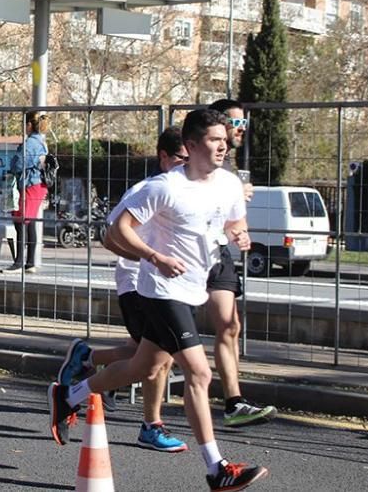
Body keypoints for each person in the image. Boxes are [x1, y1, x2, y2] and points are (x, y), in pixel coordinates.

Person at [49, 109, 268, 491]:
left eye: (225, 138)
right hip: (161, 291)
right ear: (192, 145)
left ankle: (70, 394)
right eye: (215, 139)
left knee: (141, 366)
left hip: (193, 289)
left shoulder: (230, 184)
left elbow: (233, 222)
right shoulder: (165, 187)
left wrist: (240, 236)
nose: (224, 144)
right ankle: (217, 469)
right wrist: (154, 257)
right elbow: (118, 229)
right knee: (199, 373)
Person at [81, 126, 190, 453]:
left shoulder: (190, 190)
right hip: (138, 283)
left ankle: (86, 361)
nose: (189, 164)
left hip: (169, 285)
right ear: (165, 157)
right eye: (183, 158)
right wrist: (149, 258)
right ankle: (149, 425)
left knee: (146, 355)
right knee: (159, 358)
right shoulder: (149, 189)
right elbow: (110, 235)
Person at [207, 99, 277, 427]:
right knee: (152, 350)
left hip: (217, 253)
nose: (241, 130)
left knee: (230, 325)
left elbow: (233, 221)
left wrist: (240, 235)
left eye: (244, 125)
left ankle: (234, 401)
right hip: (185, 255)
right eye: (236, 123)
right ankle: (93, 366)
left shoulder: (231, 170)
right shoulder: (201, 163)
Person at [2, 111, 49, 274]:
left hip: (30, 184)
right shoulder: (41, 142)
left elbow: (18, 164)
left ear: (29, 125)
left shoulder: (30, 144)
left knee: (20, 220)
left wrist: (13, 162)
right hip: (37, 185)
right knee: (30, 222)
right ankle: (30, 262)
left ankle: (19, 262)